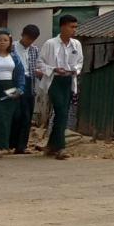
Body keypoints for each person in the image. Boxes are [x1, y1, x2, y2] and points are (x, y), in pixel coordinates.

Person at [38, 14, 82, 160]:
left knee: (62, 113)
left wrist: (74, 70)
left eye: (75, 27)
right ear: (62, 27)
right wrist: (54, 69)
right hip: (54, 80)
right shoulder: (50, 43)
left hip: (68, 80)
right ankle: (61, 147)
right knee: (61, 111)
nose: (74, 30)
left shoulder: (76, 44)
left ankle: (52, 145)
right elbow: (40, 63)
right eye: (71, 27)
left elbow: (80, 62)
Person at [0, 31, 27, 158]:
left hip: (10, 88)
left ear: (10, 42)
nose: (2, 42)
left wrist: (20, 89)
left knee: (7, 119)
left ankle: (1, 147)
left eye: (5, 40)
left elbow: (20, 74)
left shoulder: (14, 57)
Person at [11, 25, 41, 154]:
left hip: (29, 83)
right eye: (28, 38)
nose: (29, 42)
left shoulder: (34, 50)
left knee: (27, 116)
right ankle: (10, 143)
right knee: (15, 114)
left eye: (32, 40)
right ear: (22, 35)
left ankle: (21, 146)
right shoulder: (12, 47)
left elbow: (37, 66)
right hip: (14, 82)